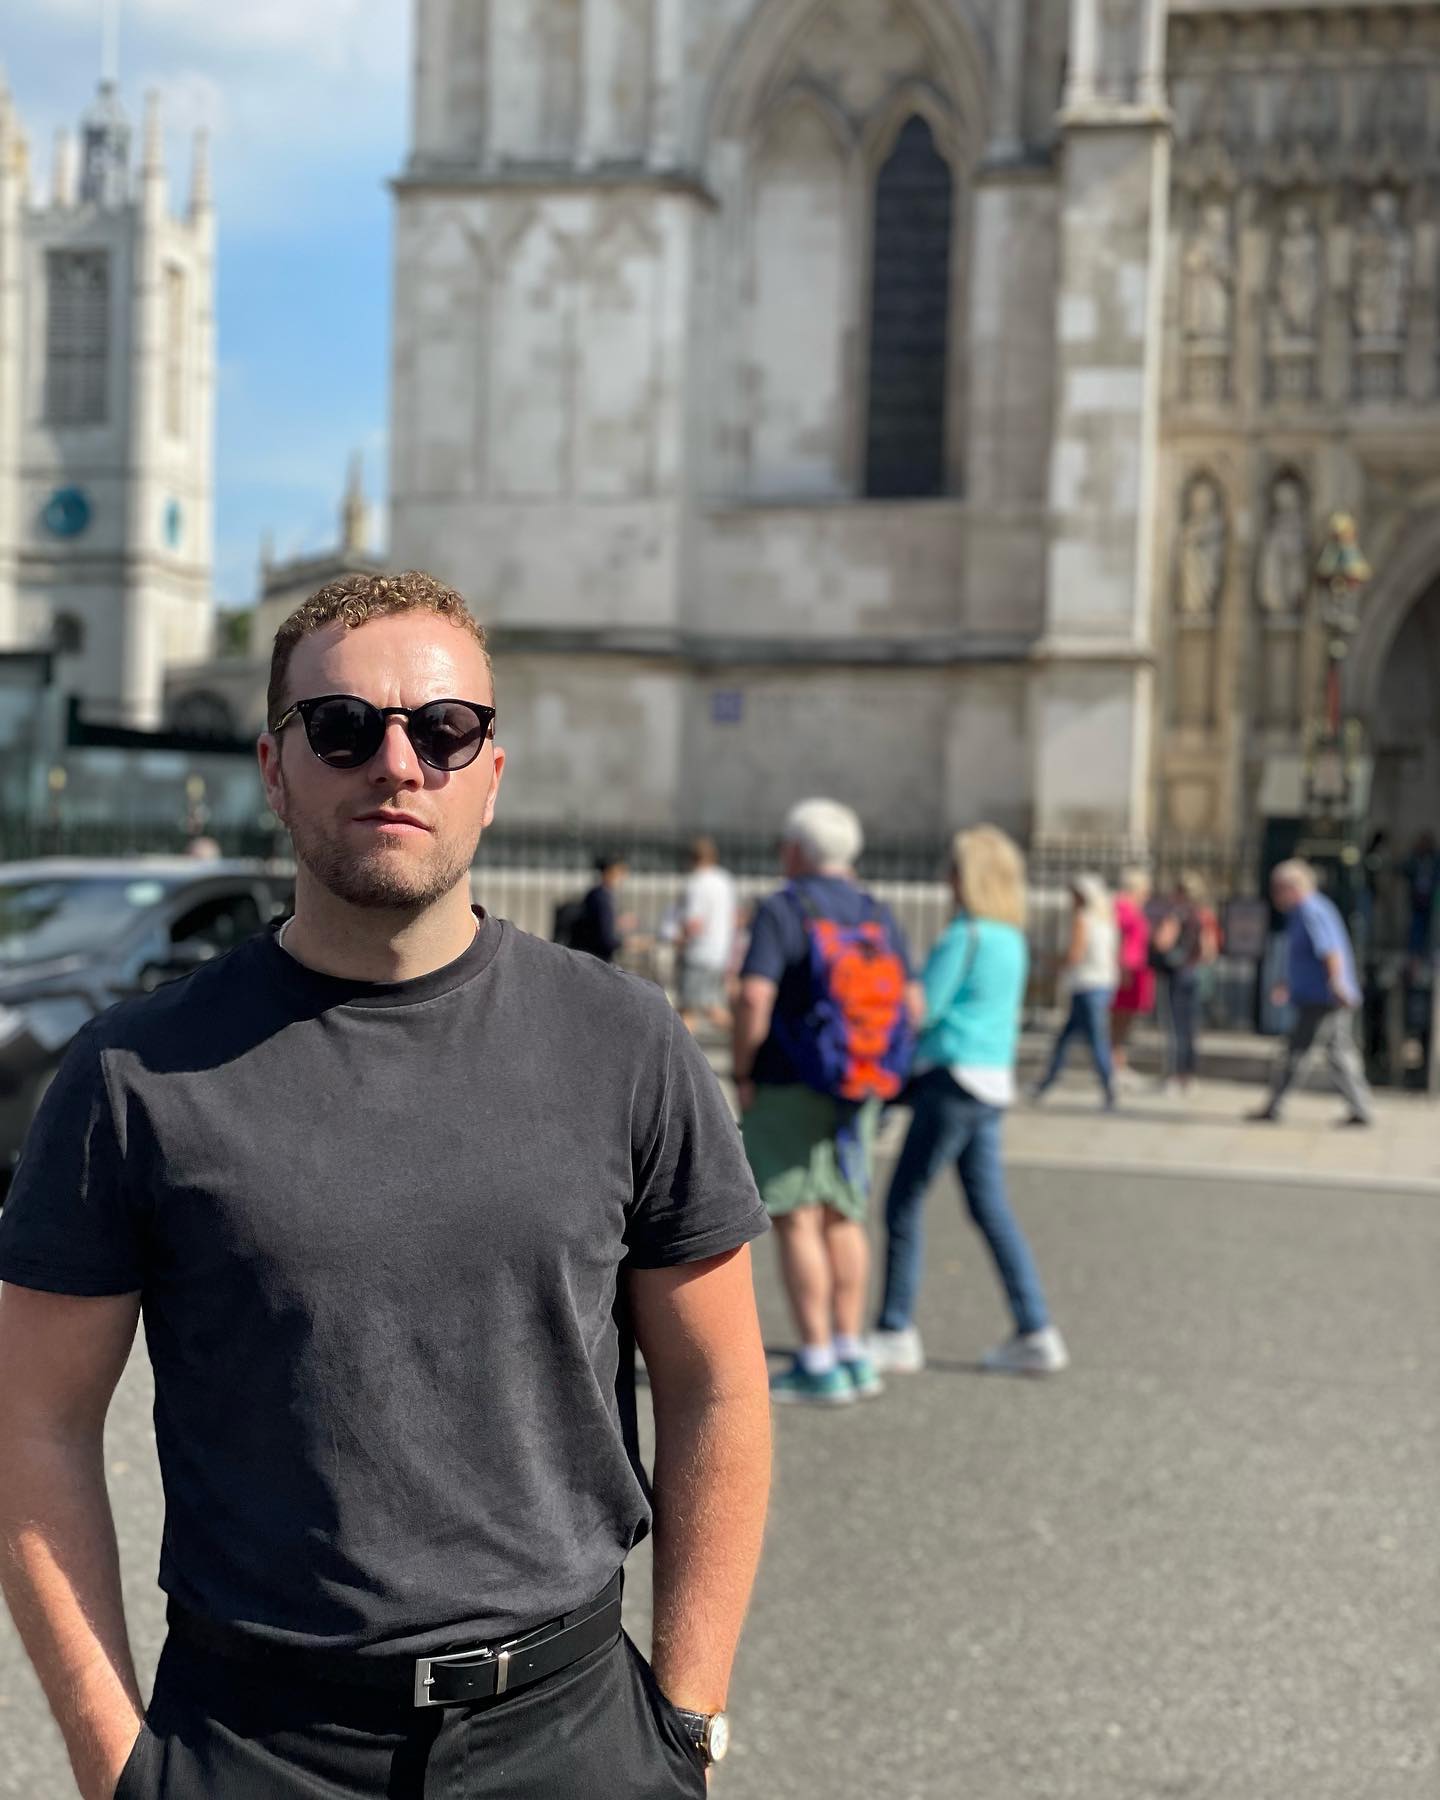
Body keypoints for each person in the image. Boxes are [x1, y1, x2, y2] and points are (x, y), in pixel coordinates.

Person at [0, 570, 771, 1800]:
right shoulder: (131, 1074)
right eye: (345, 728)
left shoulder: (624, 1042)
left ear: (492, 770)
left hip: (572, 1737)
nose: (397, 764)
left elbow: (718, 1381)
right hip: (250, 1744)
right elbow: (29, 1424)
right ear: (273, 767)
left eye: (444, 728)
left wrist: (686, 1718)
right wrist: (117, 1767)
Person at [733, 798, 915, 1406]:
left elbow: (754, 996)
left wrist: (744, 1069)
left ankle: (815, 1358)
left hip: (791, 1080)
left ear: (794, 851)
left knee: (798, 1217)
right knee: (844, 1214)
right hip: (858, 1081)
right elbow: (910, 1005)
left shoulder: (786, 908)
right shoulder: (876, 912)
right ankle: (852, 1350)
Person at [869, 827, 1068, 1379]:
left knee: (903, 1205)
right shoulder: (1010, 938)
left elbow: (922, 1010)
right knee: (990, 1210)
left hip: (950, 1078)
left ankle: (895, 1328)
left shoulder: (965, 934)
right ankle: (1035, 1327)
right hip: (991, 1081)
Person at [1250, 859, 1374, 1127]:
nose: (1274, 896)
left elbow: (1329, 951)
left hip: (1322, 997)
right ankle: (1360, 1108)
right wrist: (1287, 982)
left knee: (1297, 1051)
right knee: (1338, 1053)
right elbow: (1304, 955)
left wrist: (1336, 984)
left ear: (1293, 887)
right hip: (1317, 994)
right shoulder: (1306, 910)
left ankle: (1275, 1105)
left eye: (1278, 889)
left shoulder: (1310, 910)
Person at [1030, 874, 1118, 1109]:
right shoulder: (1106, 920)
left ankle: (1108, 1086)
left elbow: (1074, 955)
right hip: (1102, 983)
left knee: (1094, 1040)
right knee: (1067, 1039)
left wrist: (1049, 961)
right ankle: (1047, 1082)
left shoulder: (1083, 919)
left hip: (1087, 985)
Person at [1151, 871, 1220, 1094]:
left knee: (1175, 1027)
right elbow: (1210, 952)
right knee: (1191, 1029)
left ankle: (1174, 1075)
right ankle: (1188, 1076)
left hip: (1178, 974)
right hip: (1196, 975)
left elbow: (1162, 943)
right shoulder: (1205, 915)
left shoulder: (1177, 915)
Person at [677, 837, 738, 1034]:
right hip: (719, 951)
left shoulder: (696, 883)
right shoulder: (725, 880)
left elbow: (694, 923)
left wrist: (679, 939)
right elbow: (734, 917)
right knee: (711, 1005)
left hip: (698, 952)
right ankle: (746, 1035)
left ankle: (676, 1060)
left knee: (689, 1010)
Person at [1110, 867, 1155, 1083]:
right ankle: (1114, 1063)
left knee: (1125, 1020)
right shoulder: (1122, 907)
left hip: (1136, 969)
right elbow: (1119, 939)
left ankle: (1118, 1061)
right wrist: (1122, 968)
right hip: (1126, 969)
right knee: (1118, 1019)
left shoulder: (1134, 908)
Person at [572, 852, 631, 964]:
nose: (624, 877)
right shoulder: (602, 898)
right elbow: (606, 939)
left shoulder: (597, 894)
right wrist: (633, 943)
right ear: (610, 872)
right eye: (621, 871)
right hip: (596, 961)